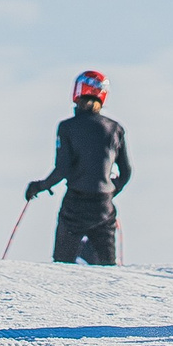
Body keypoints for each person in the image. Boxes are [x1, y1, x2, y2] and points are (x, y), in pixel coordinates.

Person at [24, 70, 132, 264]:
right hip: (103, 206)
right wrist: (112, 189)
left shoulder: (67, 127)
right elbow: (126, 172)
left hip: (75, 205)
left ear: (77, 92)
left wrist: (39, 186)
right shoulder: (116, 129)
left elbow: (62, 169)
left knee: (62, 264)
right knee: (107, 267)